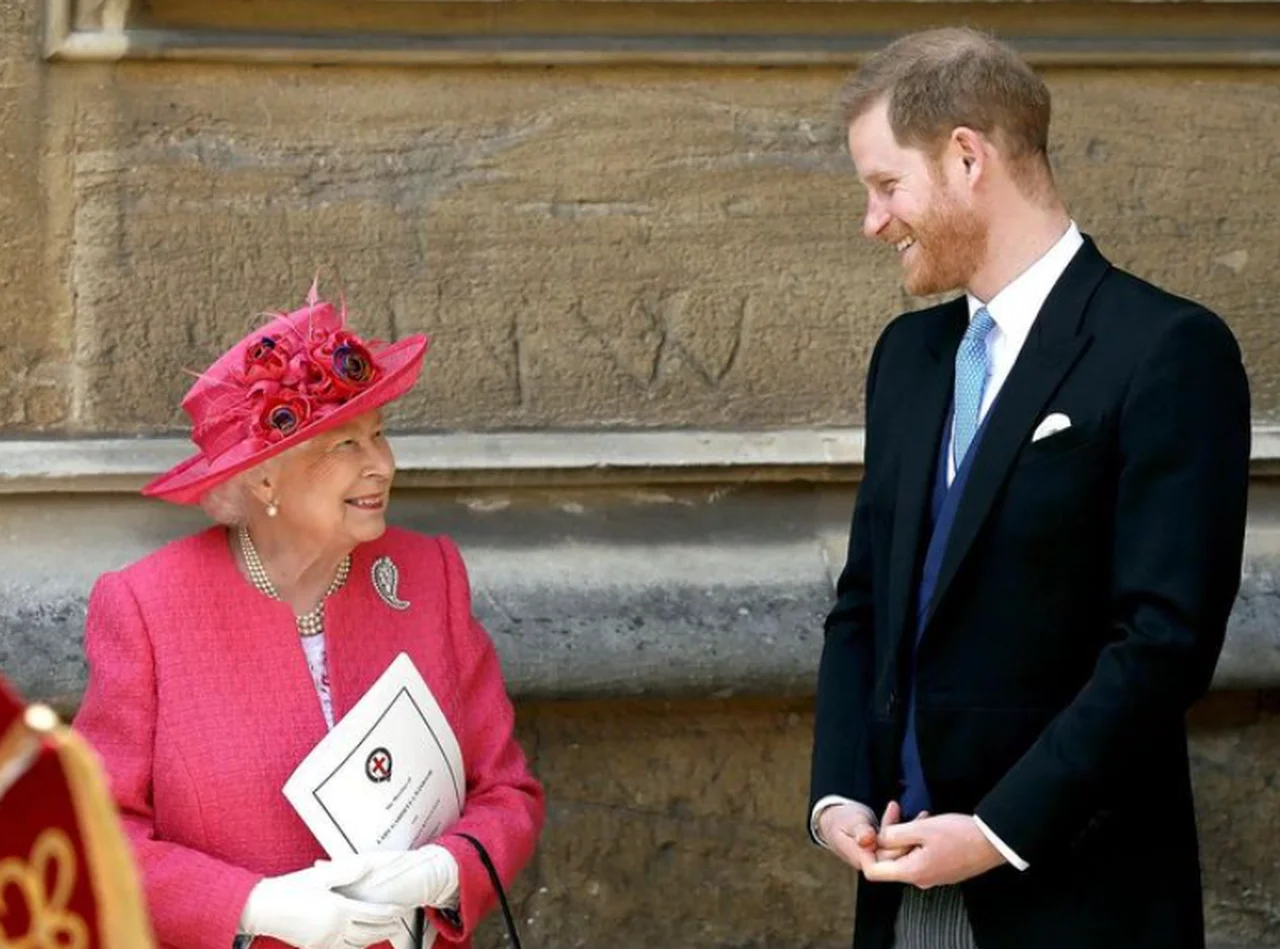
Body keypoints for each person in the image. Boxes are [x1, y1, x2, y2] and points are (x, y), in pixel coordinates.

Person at [807, 27, 1250, 949]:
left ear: (968, 156)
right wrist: (839, 792)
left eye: (888, 186)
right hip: (900, 897)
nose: (874, 221)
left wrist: (997, 832)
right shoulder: (908, 358)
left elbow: (1163, 643)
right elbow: (865, 605)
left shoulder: (1165, 350)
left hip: (1078, 897)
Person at [74, 285, 544, 949]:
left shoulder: (428, 576)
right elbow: (94, 834)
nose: (381, 464)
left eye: (379, 434)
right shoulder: (148, 607)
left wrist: (443, 868)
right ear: (265, 479)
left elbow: (507, 792)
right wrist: (255, 904)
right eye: (344, 444)